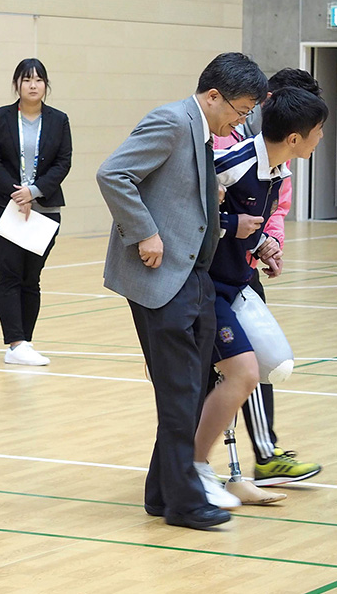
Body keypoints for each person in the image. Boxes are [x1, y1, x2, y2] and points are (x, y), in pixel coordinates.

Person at [96, 52, 268, 530]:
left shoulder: (202, 128)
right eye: (239, 110)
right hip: (160, 277)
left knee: (193, 387)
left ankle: (161, 492)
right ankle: (185, 503)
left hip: (194, 274)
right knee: (179, 392)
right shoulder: (171, 121)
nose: (240, 120)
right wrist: (145, 231)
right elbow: (113, 174)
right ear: (214, 95)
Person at [194, 86, 328, 502]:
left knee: (266, 367)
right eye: (318, 130)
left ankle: (233, 474)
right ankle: (194, 468)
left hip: (238, 285)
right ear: (294, 138)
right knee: (244, 373)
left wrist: (261, 245)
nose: (321, 137)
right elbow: (190, 212)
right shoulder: (231, 163)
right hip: (205, 287)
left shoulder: (279, 172)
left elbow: (247, 225)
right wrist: (232, 224)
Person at [0, 58, 72, 366]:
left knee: (30, 278)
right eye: (26, 79)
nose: (33, 85)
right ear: (17, 84)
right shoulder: (0, 117)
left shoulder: (59, 120)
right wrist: (16, 192)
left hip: (44, 208)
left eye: (38, 79)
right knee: (7, 275)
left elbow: (63, 162)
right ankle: (15, 342)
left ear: (46, 85)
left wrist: (33, 192)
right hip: (4, 206)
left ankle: (25, 343)